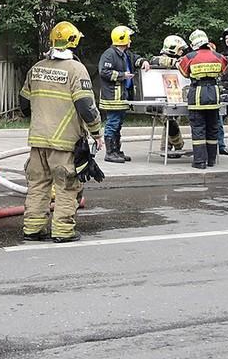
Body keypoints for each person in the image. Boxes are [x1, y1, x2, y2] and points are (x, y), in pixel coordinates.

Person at [19, 21, 103, 243]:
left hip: (38, 140)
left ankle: (33, 229)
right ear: (74, 42)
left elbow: (24, 105)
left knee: (38, 184)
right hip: (65, 142)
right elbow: (86, 106)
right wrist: (96, 132)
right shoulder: (77, 70)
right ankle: (63, 231)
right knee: (67, 185)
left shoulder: (36, 68)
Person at [97, 25, 149, 163]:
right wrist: (122, 75)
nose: (130, 40)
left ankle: (117, 151)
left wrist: (143, 61)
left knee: (118, 124)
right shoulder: (109, 54)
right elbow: (104, 72)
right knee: (112, 123)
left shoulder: (126, 54)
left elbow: (135, 59)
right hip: (113, 96)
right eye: (129, 38)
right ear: (123, 39)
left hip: (122, 96)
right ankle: (110, 152)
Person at [178, 29, 227, 169]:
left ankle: (199, 161)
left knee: (198, 129)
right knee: (212, 128)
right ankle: (211, 160)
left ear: (193, 42)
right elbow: (224, 70)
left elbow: (184, 73)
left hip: (197, 95)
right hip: (213, 94)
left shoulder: (190, 57)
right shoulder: (218, 56)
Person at [148, 35, 189, 157]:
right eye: (180, 49)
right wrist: (175, 62)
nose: (182, 52)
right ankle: (178, 145)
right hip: (161, 99)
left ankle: (165, 148)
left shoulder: (180, 62)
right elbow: (155, 60)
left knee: (172, 122)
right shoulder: (160, 59)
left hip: (175, 97)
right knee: (170, 123)